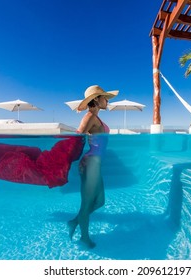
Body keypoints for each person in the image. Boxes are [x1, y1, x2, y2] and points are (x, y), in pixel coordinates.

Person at [68, 85, 118, 248]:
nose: (107, 101)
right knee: (87, 204)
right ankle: (84, 237)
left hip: (96, 163)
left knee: (100, 201)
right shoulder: (89, 116)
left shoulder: (96, 118)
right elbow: (78, 136)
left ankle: (75, 220)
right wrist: (75, 159)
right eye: (105, 97)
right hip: (91, 163)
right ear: (96, 99)